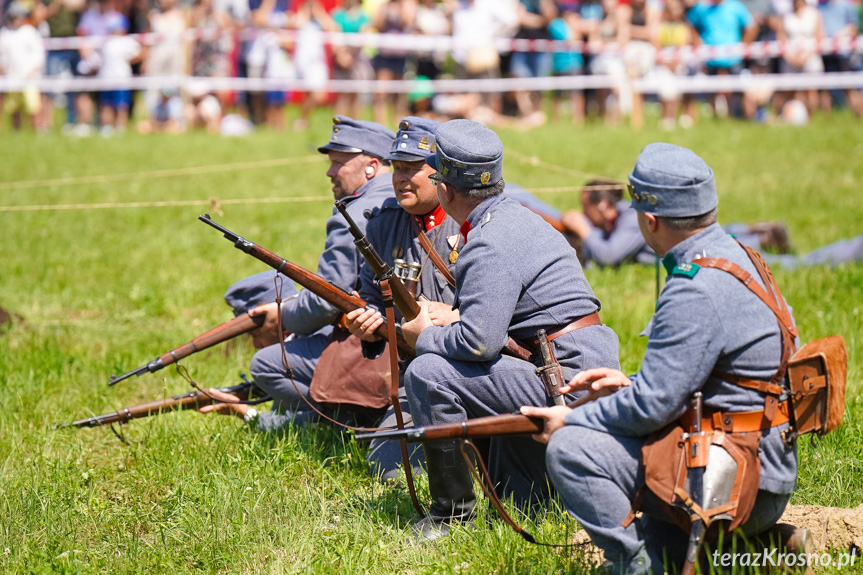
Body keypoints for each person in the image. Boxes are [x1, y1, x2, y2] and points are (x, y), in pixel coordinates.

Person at [524, 143, 799, 574]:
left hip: (737, 482)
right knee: (660, 539)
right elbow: (725, 377)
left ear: (649, 220)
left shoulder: (694, 287)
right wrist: (631, 383)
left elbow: (651, 409)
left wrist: (571, 419)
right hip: (763, 463)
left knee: (571, 449)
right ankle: (719, 552)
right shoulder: (740, 258)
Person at [400, 119, 621, 541]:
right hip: (565, 362)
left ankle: (450, 519)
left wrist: (421, 337)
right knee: (526, 505)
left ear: (444, 190)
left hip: (563, 376)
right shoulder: (515, 218)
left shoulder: (488, 240)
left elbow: (479, 343)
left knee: (427, 372)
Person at [201, 116, 396, 432]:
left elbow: (327, 300)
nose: (329, 172)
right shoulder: (397, 200)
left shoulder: (353, 212)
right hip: (391, 329)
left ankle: (340, 421)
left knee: (265, 365)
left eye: (337, 163)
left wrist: (282, 317)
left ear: (371, 166)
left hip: (377, 338)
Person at [344, 115, 461, 481]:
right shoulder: (382, 225)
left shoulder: (469, 223)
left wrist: (455, 315)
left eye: (413, 168)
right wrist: (367, 326)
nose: (400, 177)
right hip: (416, 376)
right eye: (397, 167)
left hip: (472, 365)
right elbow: (370, 299)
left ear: (440, 173)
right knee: (388, 471)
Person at [0, 2, 45, 131]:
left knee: (33, 106)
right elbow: (2, 55)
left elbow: (38, 54)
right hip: (12, 77)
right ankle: (17, 131)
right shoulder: (4, 34)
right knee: (14, 107)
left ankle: (38, 129)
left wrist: (32, 70)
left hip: (29, 77)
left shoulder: (30, 32)